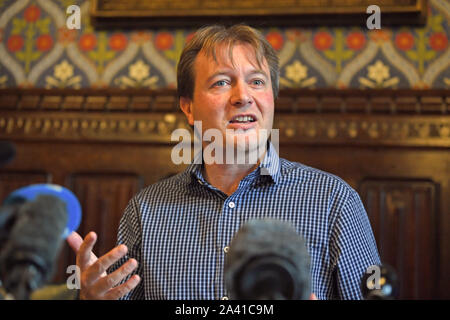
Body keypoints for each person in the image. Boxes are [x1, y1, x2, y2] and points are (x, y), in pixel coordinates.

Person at [67, 24, 380, 300]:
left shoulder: (334, 201)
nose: (243, 96)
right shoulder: (145, 211)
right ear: (188, 109)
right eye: (221, 82)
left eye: (257, 81)